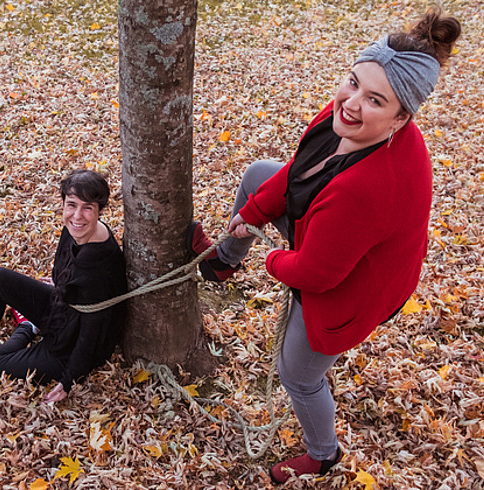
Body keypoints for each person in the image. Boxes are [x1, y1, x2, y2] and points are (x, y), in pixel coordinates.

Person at [187, 9, 461, 483]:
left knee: (299, 374)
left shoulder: (368, 188)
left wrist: (270, 254)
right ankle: (222, 265)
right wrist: (249, 218)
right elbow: (294, 172)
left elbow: (317, 274)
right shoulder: (342, 119)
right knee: (257, 176)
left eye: (374, 99)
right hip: (328, 234)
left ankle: (323, 453)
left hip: (351, 286)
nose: (351, 103)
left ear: (401, 119)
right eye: (353, 82)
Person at [0, 169, 127, 403]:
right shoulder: (73, 230)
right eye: (71, 205)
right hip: (60, 307)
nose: (77, 215)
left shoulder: (99, 267)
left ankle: (25, 329)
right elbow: (62, 271)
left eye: (87, 208)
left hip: (67, 346)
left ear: (99, 211)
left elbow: (93, 333)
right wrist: (59, 286)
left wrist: (70, 379)